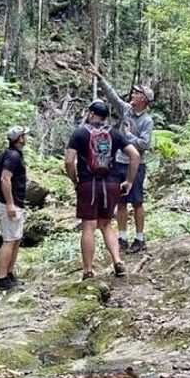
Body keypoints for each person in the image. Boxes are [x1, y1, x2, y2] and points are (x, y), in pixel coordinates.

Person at [65, 100, 141, 280]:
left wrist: (75, 180)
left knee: (89, 226)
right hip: (111, 184)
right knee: (106, 224)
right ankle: (117, 261)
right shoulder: (114, 133)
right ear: (105, 117)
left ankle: (88, 271)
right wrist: (129, 181)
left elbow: (69, 161)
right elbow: (135, 155)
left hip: (88, 184)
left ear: (91, 114)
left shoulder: (79, 133)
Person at [91, 66, 154, 253]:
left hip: (136, 165)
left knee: (137, 201)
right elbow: (112, 97)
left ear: (143, 99)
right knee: (120, 201)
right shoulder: (125, 110)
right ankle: (122, 237)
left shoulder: (147, 121)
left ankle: (140, 238)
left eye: (136, 93)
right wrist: (100, 78)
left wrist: (128, 137)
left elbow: (145, 144)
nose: (132, 95)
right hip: (118, 162)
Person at [0, 126, 28, 291]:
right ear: (19, 138)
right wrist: (9, 204)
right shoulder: (13, 156)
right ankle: (1, 278)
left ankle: (9, 274)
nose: (25, 138)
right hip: (8, 204)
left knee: (15, 239)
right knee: (9, 240)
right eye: (24, 136)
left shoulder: (12, 154)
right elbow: (5, 179)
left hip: (15, 203)